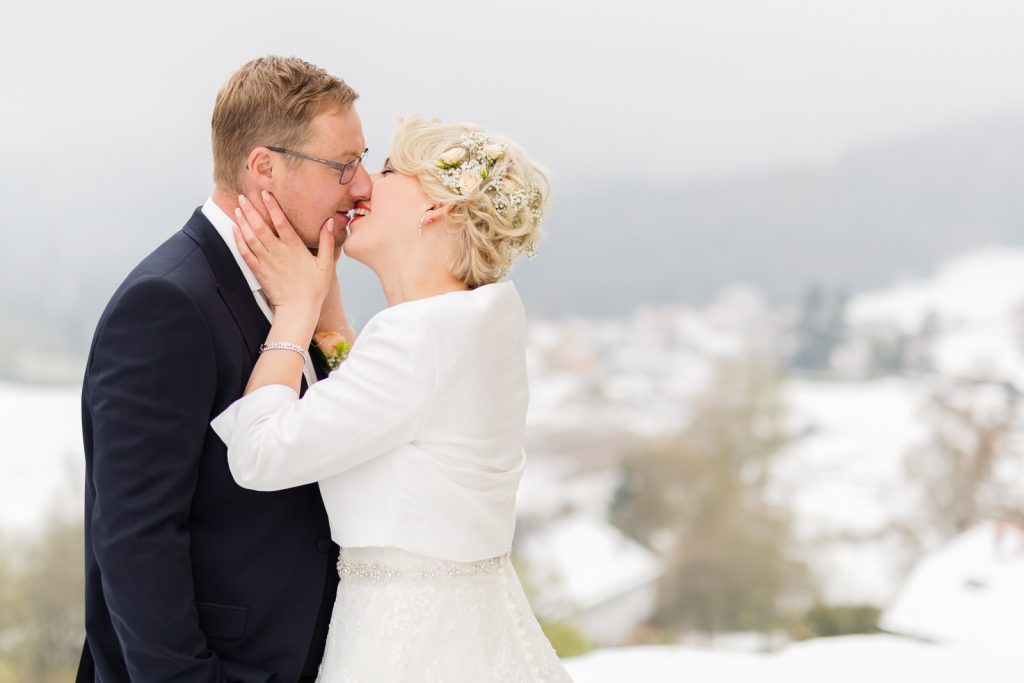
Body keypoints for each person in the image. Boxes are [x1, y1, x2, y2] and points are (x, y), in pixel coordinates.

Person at [210, 115, 572, 681]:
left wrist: (293, 313)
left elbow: (258, 456)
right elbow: (384, 412)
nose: (362, 186)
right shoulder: (482, 320)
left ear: (437, 206)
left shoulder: (417, 337)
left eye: (385, 170)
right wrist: (326, 300)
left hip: (403, 644)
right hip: (472, 624)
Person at [77, 56, 369, 683]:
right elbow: (135, 537)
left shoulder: (304, 284)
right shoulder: (165, 302)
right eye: (343, 165)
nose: (363, 185)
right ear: (263, 166)